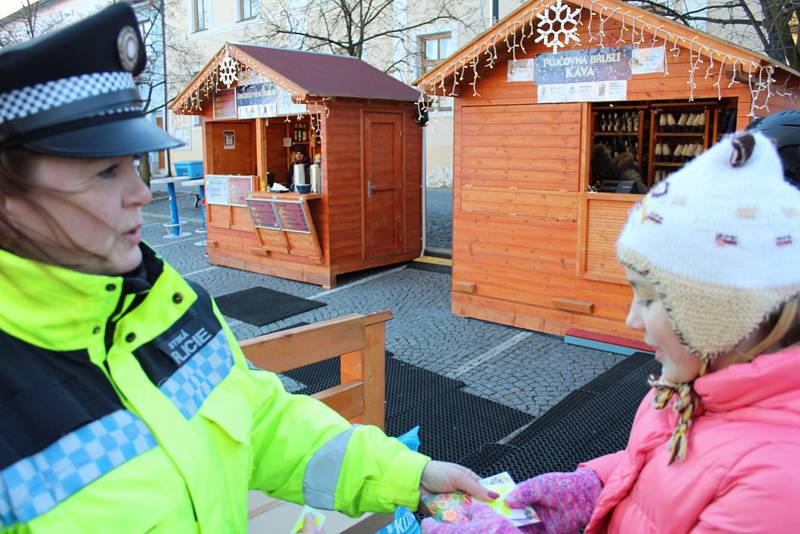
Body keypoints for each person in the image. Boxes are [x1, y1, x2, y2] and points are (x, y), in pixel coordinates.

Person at [0, 5, 494, 532]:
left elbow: (261, 422)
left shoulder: (172, 306)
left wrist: (408, 477)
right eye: (104, 172)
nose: (140, 193)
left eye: (132, 166)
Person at [423, 130, 800, 533]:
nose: (632, 320)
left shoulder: (778, 486)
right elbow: (660, 471)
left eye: (651, 298)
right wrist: (595, 485)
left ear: (723, 313)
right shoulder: (683, 391)